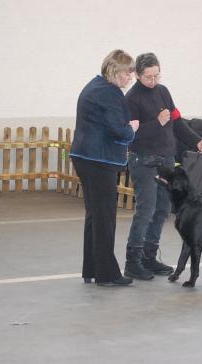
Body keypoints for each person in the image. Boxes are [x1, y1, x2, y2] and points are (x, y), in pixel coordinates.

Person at [124, 52, 202, 280]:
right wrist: (156, 123)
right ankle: (132, 261)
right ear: (137, 75)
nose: (153, 81)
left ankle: (149, 257)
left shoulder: (163, 92)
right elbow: (130, 136)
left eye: (156, 75)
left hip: (165, 160)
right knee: (146, 210)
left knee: (162, 209)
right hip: (143, 160)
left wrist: (197, 140)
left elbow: (177, 122)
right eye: (148, 77)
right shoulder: (132, 98)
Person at [70, 49, 139, 287]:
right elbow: (118, 129)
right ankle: (107, 274)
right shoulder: (109, 93)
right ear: (116, 71)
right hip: (98, 160)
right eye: (128, 73)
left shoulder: (94, 86)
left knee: (95, 216)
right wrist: (132, 129)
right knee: (105, 218)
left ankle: (92, 268)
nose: (130, 78)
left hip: (85, 156)